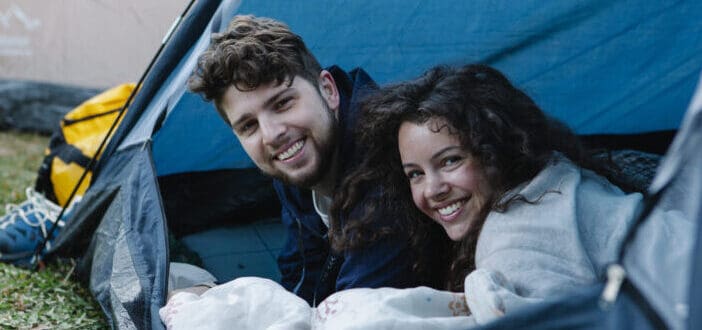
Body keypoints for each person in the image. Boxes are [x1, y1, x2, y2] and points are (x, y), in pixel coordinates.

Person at [176, 15, 439, 305]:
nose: (272, 134)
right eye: (248, 126)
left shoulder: (389, 164)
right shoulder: (296, 160)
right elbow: (300, 272)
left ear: (328, 89)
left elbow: (355, 314)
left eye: (283, 103)